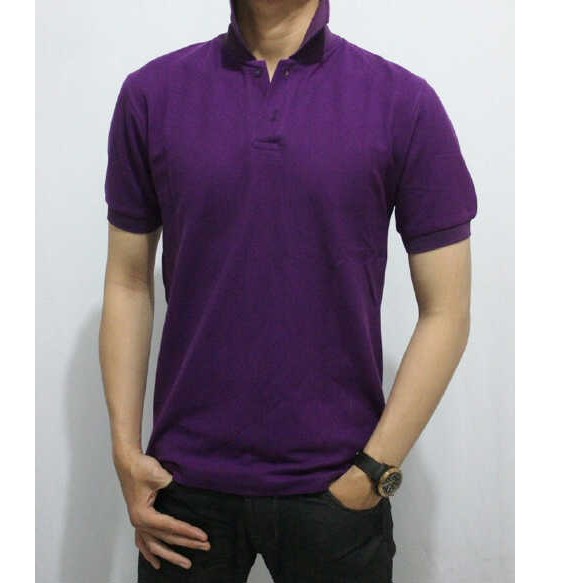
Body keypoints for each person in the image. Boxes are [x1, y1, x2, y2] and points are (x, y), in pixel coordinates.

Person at [99, 0, 478, 581]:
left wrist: (374, 471)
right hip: (184, 488)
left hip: (337, 486)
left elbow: (447, 311)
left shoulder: (403, 102)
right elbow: (128, 283)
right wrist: (126, 453)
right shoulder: (152, 95)